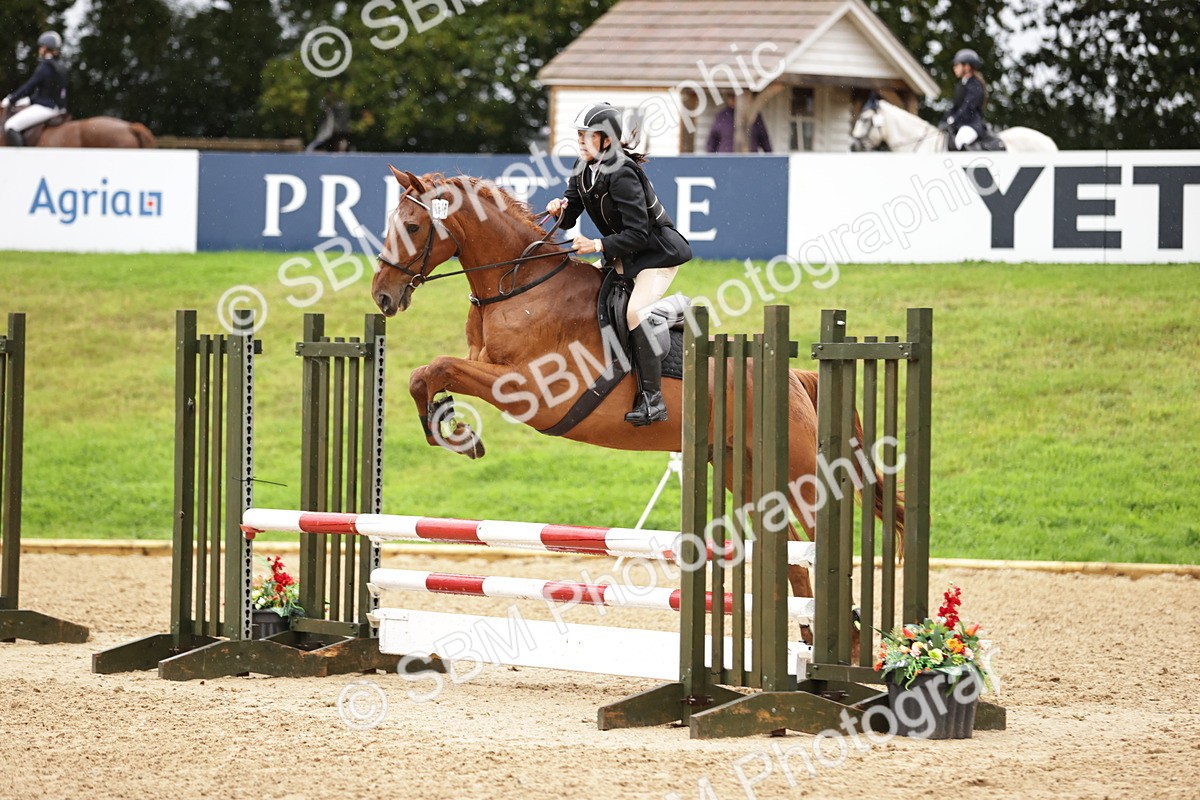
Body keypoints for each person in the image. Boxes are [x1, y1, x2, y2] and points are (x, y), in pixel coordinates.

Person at [545, 102, 693, 427]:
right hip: (625, 256)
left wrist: (597, 244)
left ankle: (653, 401)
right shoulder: (582, 168)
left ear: (607, 141)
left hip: (656, 255)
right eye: (580, 136)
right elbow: (570, 217)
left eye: (588, 136)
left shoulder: (622, 172)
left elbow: (639, 233)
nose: (581, 141)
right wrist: (560, 209)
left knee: (633, 313)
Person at [2, 32, 69, 147]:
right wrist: (29, 100)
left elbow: (29, 86)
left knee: (10, 125)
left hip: (47, 108)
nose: (40, 49)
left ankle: (22, 158)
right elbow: (47, 92)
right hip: (59, 107)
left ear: (46, 48)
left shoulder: (46, 66)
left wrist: (11, 99)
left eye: (41, 46)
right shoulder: (60, 65)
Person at [940, 48, 987, 151]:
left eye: (957, 65)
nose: (954, 68)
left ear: (967, 67)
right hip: (960, 124)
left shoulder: (975, 85)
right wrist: (945, 120)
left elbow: (969, 107)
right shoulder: (960, 85)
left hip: (971, 124)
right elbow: (955, 107)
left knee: (960, 140)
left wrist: (954, 119)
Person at [706, 92, 771, 153]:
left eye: (735, 96)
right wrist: (709, 161)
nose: (733, 99)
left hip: (749, 160)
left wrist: (770, 160)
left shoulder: (754, 116)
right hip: (725, 160)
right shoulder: (721, 117)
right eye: (731, 96)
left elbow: (765, 141)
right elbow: (712, 143)